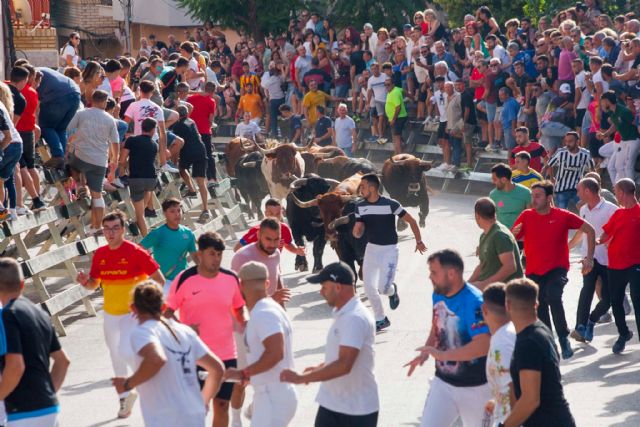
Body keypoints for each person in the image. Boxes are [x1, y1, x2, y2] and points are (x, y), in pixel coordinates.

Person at [77, 210, 165, 418]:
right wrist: (84, 282)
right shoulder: (100, 254)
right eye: (106, 229)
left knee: (130, 352)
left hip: (133, 315)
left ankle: (152, 392)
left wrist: (145, 305)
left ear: (123, 230)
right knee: (116, 356)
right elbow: (93, 284)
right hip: (110, 314)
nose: (110, 233)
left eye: (115, 228)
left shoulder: (136, 252)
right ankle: (125, 398)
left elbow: (159, 280)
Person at [112, 281, 225, 427]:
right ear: (164, 306)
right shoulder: (185, 331)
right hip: (194, 415)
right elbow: (217, 369)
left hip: (166, 417)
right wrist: (203, 401)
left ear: (133, 308)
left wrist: (128, 384)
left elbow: (156, 359)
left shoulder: (143, 332)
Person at [281, 262, 379, 427]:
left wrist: (302, 378)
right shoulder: (343, 313)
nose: (320, 292)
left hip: (356, 411)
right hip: (332, 404)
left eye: (324, 287)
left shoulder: (354, 318)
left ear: (338, 287)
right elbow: (341, 355)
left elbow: (344, 365)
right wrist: (320, 367)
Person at [165, 232, 247, 427]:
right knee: (197, 409)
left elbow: (239, 309)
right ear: (199, 254)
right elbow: (165, 313)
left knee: (222, 406)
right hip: (194, 356)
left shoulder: (231, 278)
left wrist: (246, 330)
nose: (216, 259)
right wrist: (182, 329)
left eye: (219, 254)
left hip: (226, 355)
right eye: (212, 254)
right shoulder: (184, 279)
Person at [404, 250, 491, 427]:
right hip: (443, 385)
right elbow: (437, 326)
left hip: (476, 389)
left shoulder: (474, 302)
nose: (430, 277)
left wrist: (443, 355)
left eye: (434, 272)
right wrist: (426, 352)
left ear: (451, 273)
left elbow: (483, 345)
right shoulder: (438, 294)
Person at [512, 181, 596, 359]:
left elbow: (590, 230)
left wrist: (589, 258)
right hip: (534, 271)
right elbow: (513, 240)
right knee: (540, 305)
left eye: (538, 196)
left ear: (549, 198)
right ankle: (549, 342)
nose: (533, 200)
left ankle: (564, 338)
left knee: (553, 296)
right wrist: (513, 235)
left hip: (557, 269)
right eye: (532, 196)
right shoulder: (526, 215)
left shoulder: (563, 215)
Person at [224, 262, 298, 427]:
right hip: (273, 395)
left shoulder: (263, 313)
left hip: (273, 397)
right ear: (267, 283)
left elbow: (275, 353)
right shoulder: (271, 308)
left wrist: (243, 374)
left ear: (240, 284)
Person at [0, 257, 70, 426]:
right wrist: (47, 394)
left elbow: (16, 366)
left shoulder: (7, 316)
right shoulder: (40, 313)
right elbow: (63, 361)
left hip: (23, 414)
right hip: (49, 409)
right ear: (22, 284)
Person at [353, 173, 426, 331]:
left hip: (389, 250)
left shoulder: (391, 204)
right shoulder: (359, 206)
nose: (361, 189)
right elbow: (358, 226)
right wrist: (357, 231)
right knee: (368, 288)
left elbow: (412, 221)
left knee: (383, 288)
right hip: (371, 249)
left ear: (373, 188)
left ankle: (392, 291)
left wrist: (419, 241)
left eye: (363, 186)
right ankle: (381, 319)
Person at [502, 278, 576, 427]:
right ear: (536, 304)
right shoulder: (542, 330)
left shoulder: (527, 343)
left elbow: (530, 399)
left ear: (507, 306)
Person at [568, 178, 618, 343]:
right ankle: (580, 326)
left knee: (609, 298)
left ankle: (591, 320)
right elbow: (581, 233)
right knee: (587, 289)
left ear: (588, 191)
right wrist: (565, 249)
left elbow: (618, 235)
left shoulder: (612, 210)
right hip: (589, 258)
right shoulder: (583, 209)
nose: (577, 194)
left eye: (579, 190)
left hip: (609, 259)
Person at [66, 90, 120, 234]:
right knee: (98, 195)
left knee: (71, 167)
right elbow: (115, 142)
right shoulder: (110, 119)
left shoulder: (82, 113)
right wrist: (115, 159)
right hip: (99, 160)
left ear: (92, 99)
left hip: (80, 155)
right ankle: (97, 226)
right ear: (104, 101)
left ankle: (79, 185)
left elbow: (68, 128)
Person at [600, 178, 640, 353]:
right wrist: (595, 243)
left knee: (638, 302)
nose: (614, 194)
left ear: (623, 192)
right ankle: (623, 334)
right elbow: (604, 235)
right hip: (615, 266)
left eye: (616, 191)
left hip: (635, 266)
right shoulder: (618, 214)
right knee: (615, 302)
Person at [141, 198, 197, 296]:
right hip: (163, 282)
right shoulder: (158, 233)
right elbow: (138, 250)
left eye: (179, 210)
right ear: (164, 213)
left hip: (183, 281)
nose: (177, 214)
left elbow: (196, 257)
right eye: (172, 211)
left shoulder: (188, 233)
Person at [468, 198, 523, 290]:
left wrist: (484, 284)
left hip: (506, 293)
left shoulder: (499, 235)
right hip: (491, 291)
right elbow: (482, 264)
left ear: (477, 216)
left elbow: (510, 267)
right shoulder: (484, 235)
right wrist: (467, 285)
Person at [482, 282, 516, 426]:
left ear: (484, 309)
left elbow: (514, 387)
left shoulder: (502, 343)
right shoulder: (506, 334)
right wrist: (496, 401)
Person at [124, 80, 176, 173]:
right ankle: (163, 167)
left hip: (137, 140)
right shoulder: (157, 108)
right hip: (153, 141)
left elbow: (125, 124)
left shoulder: (133, 105)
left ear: (140, 90)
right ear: (152, 93)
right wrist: (163, 159)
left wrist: (125, 137)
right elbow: (162, 133)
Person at [119, 118, 160, 237]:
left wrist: (124, 170)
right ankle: (136, 226)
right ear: (153, 130)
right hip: (152, 180)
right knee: (140, 211)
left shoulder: (131, 140)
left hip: (137, 179)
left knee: (140, 214)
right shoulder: (154, 145)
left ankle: (146, 243)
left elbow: (122, 159)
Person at [170, 105, 210, 222]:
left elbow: (177, 145)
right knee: (201, 182)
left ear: (178, 115)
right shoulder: (191, 121)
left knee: (182, 169)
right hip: (201, 150)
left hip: (188, 151)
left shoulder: (177, 126)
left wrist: (174, 160)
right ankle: (205, 209)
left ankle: (192, 189)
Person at [37, 67, 81, 169]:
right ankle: (62, 158)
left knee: (46, 126)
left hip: (58, 96)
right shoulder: (43, 70)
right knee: (61, 128)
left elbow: (35, 104)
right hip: (75, 94)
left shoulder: (32, 75)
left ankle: (57, 156)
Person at [234, 198, 305, 257]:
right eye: (271, 213)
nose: (274, 217)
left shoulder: (284, 229)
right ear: (265, 213)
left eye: (277, 214)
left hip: (274, 267)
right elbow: (237, 248)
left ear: (281, 213)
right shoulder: (256, 231)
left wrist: (296, 250)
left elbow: (287, 244)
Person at [543, 131, 594, 210]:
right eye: (566, 141)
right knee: (562, 212)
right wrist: (551, 178)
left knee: (584, 209)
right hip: (561, 188)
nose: (567, 143)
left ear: (577, 142)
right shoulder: (561, 152)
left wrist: (591, 183)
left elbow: (592, 169)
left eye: (570, 141)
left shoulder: (585, 154)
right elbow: (549, 164)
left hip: (578, 188)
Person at [597, 90, 640, 183]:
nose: (601, 104)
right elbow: (615, 124)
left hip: (633, 140)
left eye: (602, 102)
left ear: (607, 101)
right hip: (624, 141)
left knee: (628, 166)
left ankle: (630, 190)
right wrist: (605, 134)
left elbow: (636, 124)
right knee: (618, 166)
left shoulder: (624, 111)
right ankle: (620, 190)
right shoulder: (612, 112)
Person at [187, 81, 219, 185]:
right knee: (208, 155)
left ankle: (193, 179)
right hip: (205, 131)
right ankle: (212, 178)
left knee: (191, 154)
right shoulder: (211, 101)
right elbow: (211, 119)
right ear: (213, 91)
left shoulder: (191, 98)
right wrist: (209, 127)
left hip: (191, 131)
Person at [489, 163, 531, 230]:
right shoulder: (493, 195)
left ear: (504, 180)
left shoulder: (526, 192)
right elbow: (491, 218)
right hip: (502, 235)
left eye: (494, 179)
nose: (493, 182)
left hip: (520, 236)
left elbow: (531, 216)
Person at [384, 77, 408, 154]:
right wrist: (412, 97)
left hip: (399, 117)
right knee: (396, 137)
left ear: (393, 84)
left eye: (388, 85)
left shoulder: (394, 93)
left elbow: (398, 107)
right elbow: (403, 91)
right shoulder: (396, 89)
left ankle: (399, 155)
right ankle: (396, 153)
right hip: (395, 118)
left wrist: (393, 119)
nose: (386, 86)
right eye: (385, 85)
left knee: (396, 137)